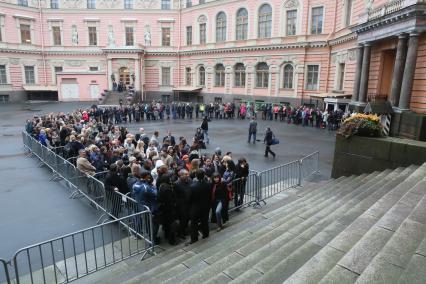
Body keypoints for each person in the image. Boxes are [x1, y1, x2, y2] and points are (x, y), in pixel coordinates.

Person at [187, 169, 211, 244]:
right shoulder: (208, 184)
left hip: (195, 207)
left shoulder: (192, 186)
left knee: (194, 223)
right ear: (204, 175)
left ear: (196, 176)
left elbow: (189, 198)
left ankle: (194, 239)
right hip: (205, 207)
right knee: (205, 221)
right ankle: (206, 234)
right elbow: (209, 196)